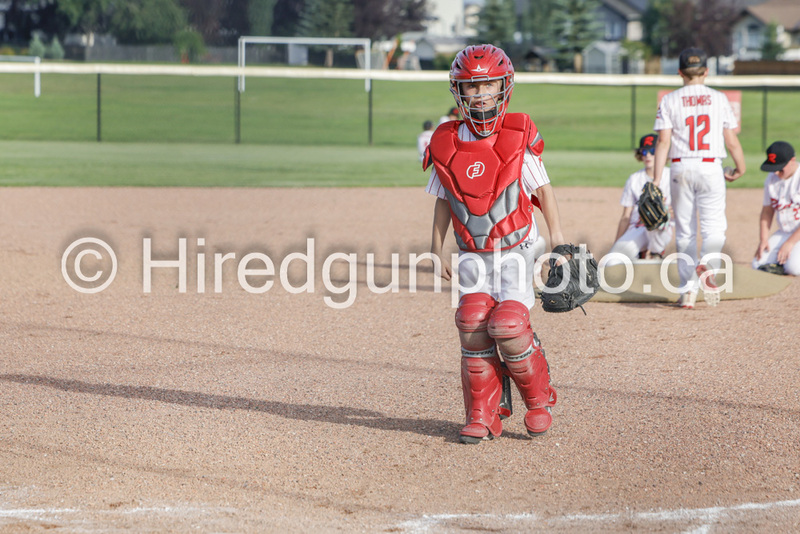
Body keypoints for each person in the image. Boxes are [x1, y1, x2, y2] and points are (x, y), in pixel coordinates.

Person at [423, 44, 565, 444]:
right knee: (471, 324)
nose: (481, 94)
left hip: (517, 250)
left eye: (488, 85)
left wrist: (558, 243)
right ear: (459, 92)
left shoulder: (517, 136)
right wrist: (437, 248)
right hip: (472, 254)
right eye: (472, 87)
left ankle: (539, 399)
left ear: (504, 87)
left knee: (508, 325)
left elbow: (545, 192)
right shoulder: (446, 141)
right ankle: (483, 412)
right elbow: (443, 201)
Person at [652, 47, 746, 309]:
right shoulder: (718, 99)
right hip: (710, 166)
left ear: (680, 72)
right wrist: (740, 167)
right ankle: (707, 263)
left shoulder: (669, 100)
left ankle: (687, 292)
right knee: (714, 227)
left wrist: (657, 180)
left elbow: (663, 142)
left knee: (684, 232)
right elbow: (731, 141)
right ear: (706, 71)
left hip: (680, 167)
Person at [607, 133, 673, 265]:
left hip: (663, 228)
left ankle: (655, 253)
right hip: (637, 228)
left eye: (652, 151)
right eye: (644, 151)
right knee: (611, 262)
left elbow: (682, 211)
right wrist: (616, 245)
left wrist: (667, 212)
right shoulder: (634, 179)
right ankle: (641, 255)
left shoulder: (671, 176)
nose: (648, 155)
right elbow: (626, 216)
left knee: (657, 220)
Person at [752, 141, 800, 275]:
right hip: (785, 232)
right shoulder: (771, 179)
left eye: (781, 168)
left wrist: (790, 243)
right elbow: (767, 211)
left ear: (792, 160)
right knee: (758, 264)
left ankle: (789, 261)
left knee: (794, 268)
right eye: (774, 168)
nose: (777, 172)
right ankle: (785, 261)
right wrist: (764, 239)